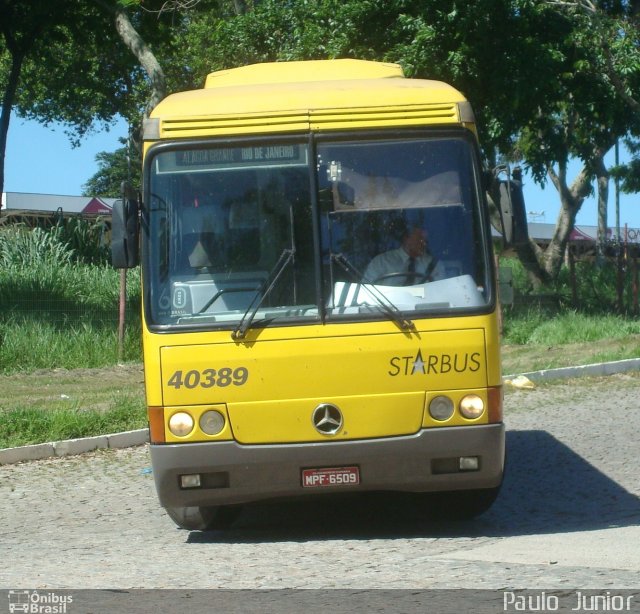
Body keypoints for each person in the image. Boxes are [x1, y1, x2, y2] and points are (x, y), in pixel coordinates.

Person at [363, 226, 444, 286]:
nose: (424, 244)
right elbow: (366, 289)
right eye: (420, 239)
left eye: (426, 241)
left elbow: (441, 292)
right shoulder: (381, 262)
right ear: (406, 239)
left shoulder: (434, 265)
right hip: (387, 307)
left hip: (426, 308)